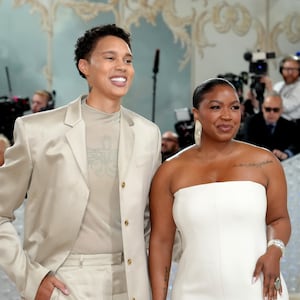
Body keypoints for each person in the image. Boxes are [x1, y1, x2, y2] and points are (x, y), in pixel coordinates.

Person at [0, 24, 161, 300]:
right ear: (84, 66)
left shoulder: (148, 134)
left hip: (131, 281)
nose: (122, 66)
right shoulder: (37, 130)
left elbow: (149, 219)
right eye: (110, 58)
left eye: (128, 60)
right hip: (65, 280)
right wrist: (29, 279)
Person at [149, 78, 291, 300]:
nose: (227, 116)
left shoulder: (265, 162)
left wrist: (274, 250)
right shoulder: (170, 172)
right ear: (196, 114)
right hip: (193, 291)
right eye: (216, 107)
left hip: (258, 286)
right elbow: (161, 242)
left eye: (234, 107)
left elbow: (279, 219)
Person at [242, 91, 299, 161]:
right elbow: (248, 145)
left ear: (281, 110)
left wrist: (286, 154)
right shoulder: (251, 122)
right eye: (268, 109)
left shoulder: (289, 125)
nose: (271, 113)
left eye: (276, 110)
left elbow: (297, 144)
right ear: (262, 108)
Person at [262, 55, 300, 126]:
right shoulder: (278, 85)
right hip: (275, 125)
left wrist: (270, 89)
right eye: (286, 69)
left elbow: (287, 107)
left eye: (293, 69)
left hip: (293, 126)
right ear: (281, 70)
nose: (290, 73)